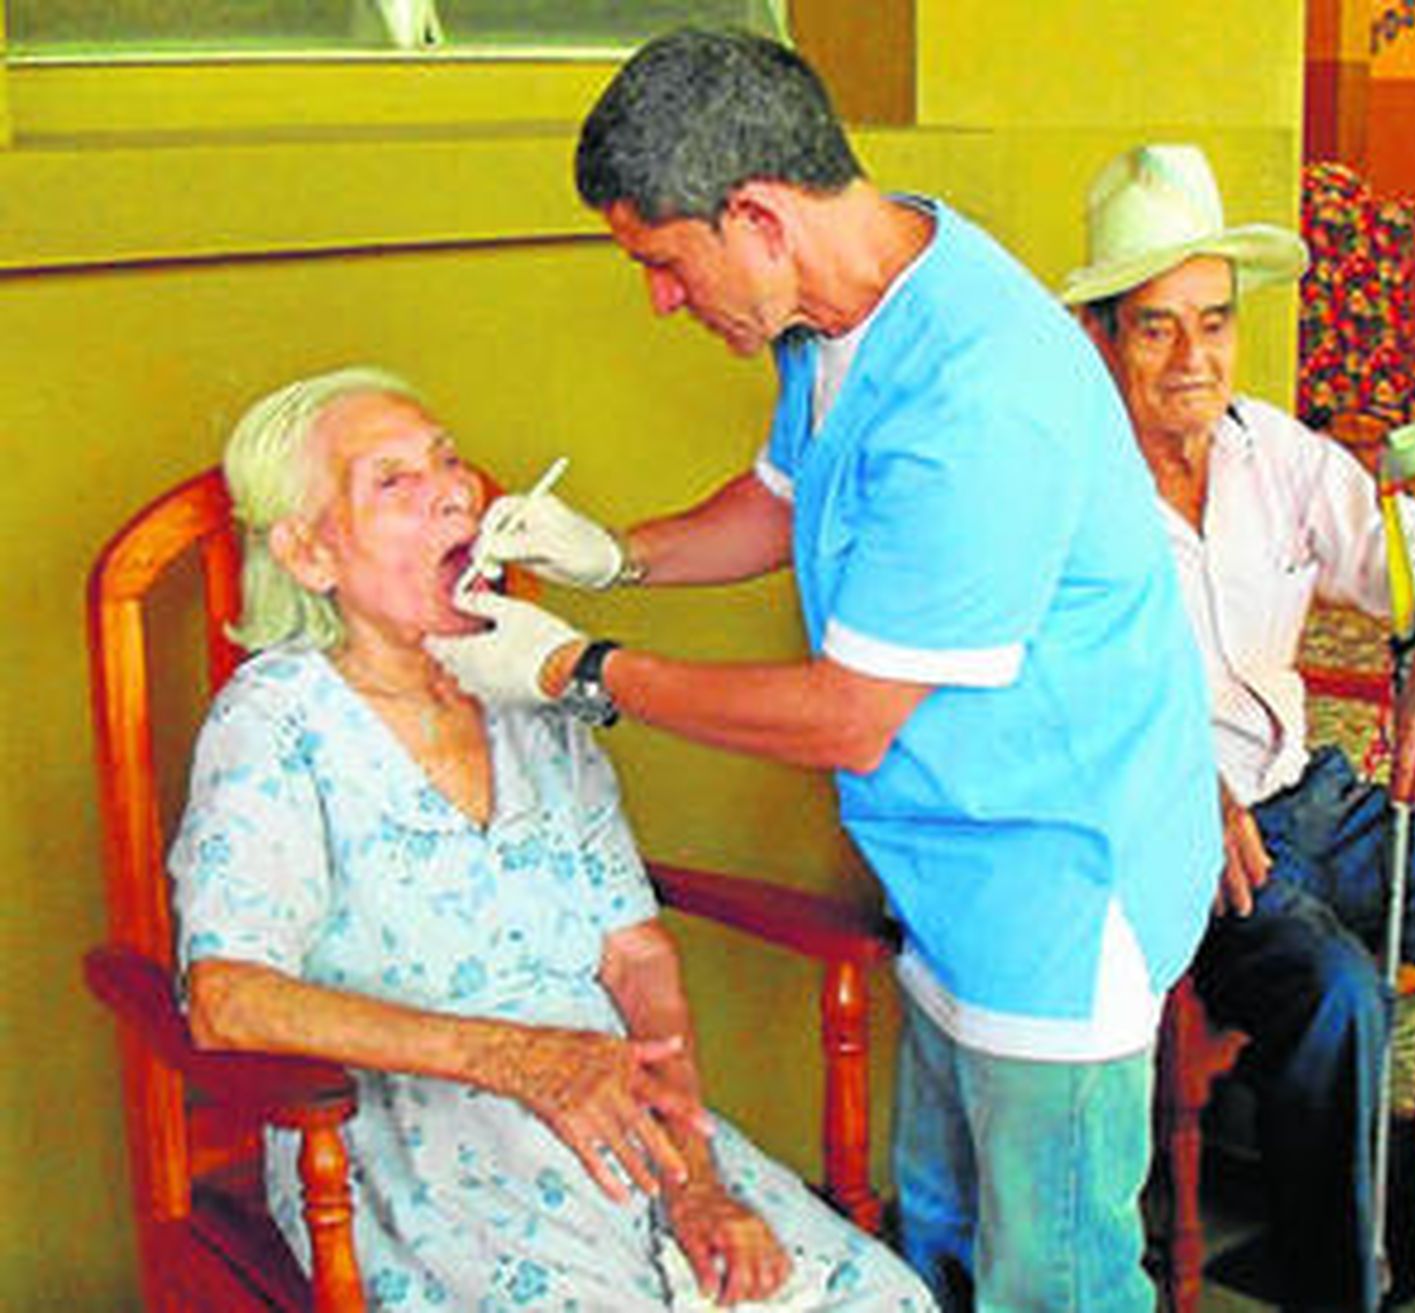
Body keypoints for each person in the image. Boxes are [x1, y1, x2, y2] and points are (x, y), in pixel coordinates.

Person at [425, 29, 1222, 1313]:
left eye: (662, 263)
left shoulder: (978, 395)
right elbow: (782, 496)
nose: (662, 302)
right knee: (944, 1233)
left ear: (756, 216)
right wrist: (610, 554)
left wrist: (580, 667)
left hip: (1061, 881)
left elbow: (849, 716)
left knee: (1056, 1278)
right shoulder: (846, 304)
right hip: (951, 870)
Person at [169, 366, 936, 1312]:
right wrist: (513, 1056)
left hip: (626, 1113)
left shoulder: (525, 684)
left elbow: (635, 951)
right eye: (394, 481)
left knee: (879, 1299)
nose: (454, 487)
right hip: (412, 1142)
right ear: (308, 552)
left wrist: (697, 1180)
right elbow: (228, 997)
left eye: (446, 460)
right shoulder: (278, 721)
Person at [1063, 143, 1415, 1312]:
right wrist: (1168, 790)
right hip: (1182, 844)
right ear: (1104, 337)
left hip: (1323, 804)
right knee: (1336, 991)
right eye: (1156, 328)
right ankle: (1332, 1285)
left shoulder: (1275, 453)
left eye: (1213, 322)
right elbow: (1032, 697)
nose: (1192, 358)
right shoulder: (1067, 487)